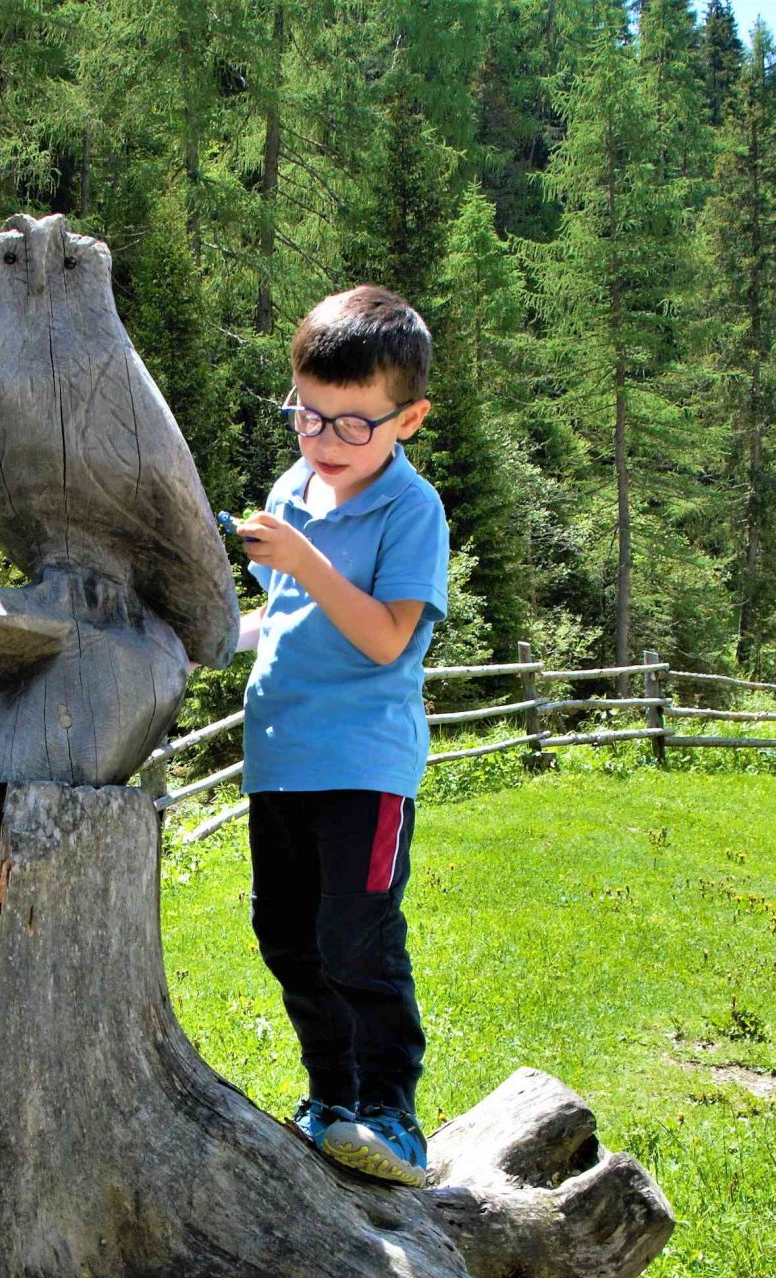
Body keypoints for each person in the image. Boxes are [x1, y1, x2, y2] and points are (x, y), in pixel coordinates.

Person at [224, 286, 449, 1187]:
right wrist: (208, 631)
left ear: (411, 418)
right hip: (279, 759)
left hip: (363, 765)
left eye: (352, 425)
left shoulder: (410, 510)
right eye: (307, 416)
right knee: (285, 934)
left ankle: (392, 1116)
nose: (323, 441)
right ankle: (331, 1101)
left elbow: (387, 635)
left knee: (356, 936)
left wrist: (308, 561)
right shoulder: (292, 489)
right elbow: (276, 619)